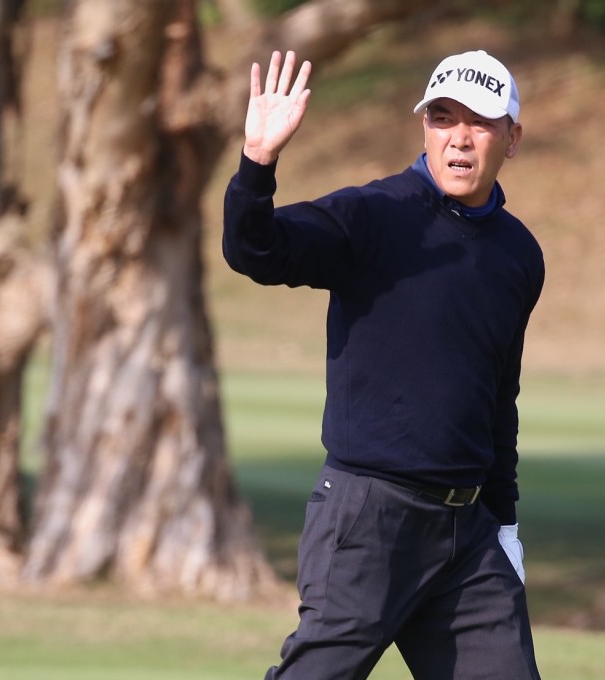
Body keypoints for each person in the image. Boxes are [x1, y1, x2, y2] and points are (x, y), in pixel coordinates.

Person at [223, 48, 544, 680]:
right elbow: (254, 250)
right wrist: (258, 164)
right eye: (442, 118)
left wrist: (504, 525)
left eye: (478, 122)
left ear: (511, 137)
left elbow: (497, 400)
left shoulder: (518, 255)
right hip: (369, 517)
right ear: (423, 126)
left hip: (467, 534)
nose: (458, 138)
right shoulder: (374, 214)